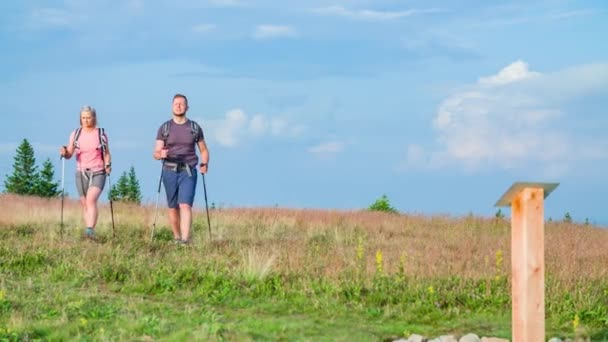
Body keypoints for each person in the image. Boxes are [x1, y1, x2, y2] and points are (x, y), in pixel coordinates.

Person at [153, 94, 209, 244]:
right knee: (173, 207)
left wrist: (204, 164)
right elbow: (156, 153)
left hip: (188, 170)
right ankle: (177, 238)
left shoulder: (194, 128)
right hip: (169, 169)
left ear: (187, 107)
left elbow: (203, 150)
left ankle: (185, 240)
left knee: (185, 204)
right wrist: (161, 154)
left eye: (181, 104)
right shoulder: (164, 128)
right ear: (172, 106)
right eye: (176, 104)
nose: (178, 106)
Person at [59, 105, 112, 239]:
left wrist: (108, 164)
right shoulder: (76, 134)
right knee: (85, 204)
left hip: (98, 171)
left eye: (88, 117)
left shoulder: (101, 133)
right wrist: (65, 153)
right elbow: (70, 153)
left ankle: (89, 231)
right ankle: (89, 231)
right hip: (81, 172)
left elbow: (106, 153)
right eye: (83, 118)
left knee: (90, 200)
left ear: (94, 118)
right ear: (80, 119)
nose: (86, 120)